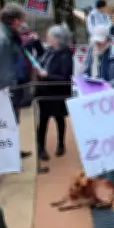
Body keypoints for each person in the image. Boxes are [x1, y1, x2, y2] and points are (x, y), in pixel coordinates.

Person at [0, 5, 32, 158]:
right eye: (21, 20)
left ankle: (13, 151)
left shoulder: (8, 35)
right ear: (14, 20)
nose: (22, 23)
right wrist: (11, 90)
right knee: (9, 121)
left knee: (13, 121)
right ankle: (10, 155)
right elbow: (3, 68)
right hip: (9, 88)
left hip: (13, 85)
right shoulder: (2, 39)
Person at [36, 25, 74, 162]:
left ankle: (61, 143)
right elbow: (41, 60)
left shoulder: (65, 54)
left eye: (50, 36)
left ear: (58, 39)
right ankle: (41, 147)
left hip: (57, 92)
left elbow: (64, 77)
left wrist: (46, 75)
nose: (48, 38)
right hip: (44, 91)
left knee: (59, 118)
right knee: (43, 120)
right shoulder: (49, 50)